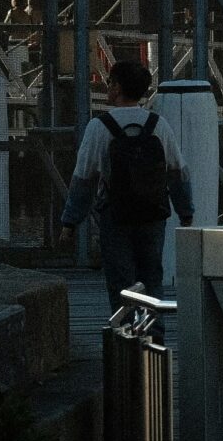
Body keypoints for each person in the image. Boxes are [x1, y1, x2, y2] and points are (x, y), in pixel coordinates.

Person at [60, 59, 194, 295]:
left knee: (121, 280)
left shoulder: (99, 126)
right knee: (151, 276)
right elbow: (177, 171)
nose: (107, 86)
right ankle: (154, 329)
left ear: (118, 87)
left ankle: (125, 328)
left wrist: (70, 222)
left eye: (110, 82)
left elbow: (84, 178)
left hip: (115, 214)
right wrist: (186, 212)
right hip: (153, 213)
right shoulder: (158, 124)